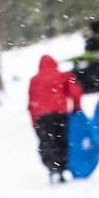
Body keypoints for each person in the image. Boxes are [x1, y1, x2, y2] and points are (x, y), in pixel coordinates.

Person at [28, 55, 83, 184]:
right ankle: (62, 167)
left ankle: (52, 167)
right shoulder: (62, 75)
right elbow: (75, 92)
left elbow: (31, 102)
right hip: (60, 113)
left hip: (41, 115)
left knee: (47, 142)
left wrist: (34, 121)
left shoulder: (35, 80)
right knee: (61, 140)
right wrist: (77, 107)